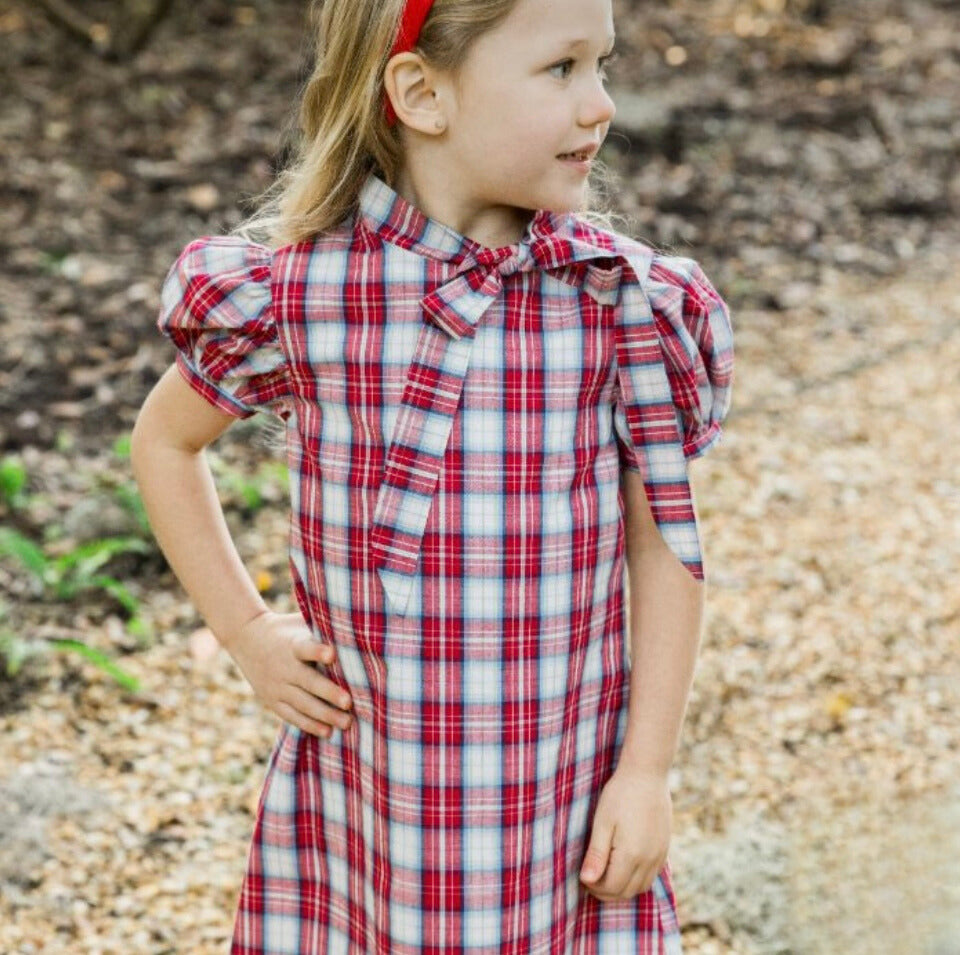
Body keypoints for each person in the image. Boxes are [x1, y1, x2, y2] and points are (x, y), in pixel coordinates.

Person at [130, 0, 734, 950]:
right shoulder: (302, 294)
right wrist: (247, 631)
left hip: (561, 805)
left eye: (603, 66)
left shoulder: (618, 305)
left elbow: (665, 544)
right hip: (368, 809)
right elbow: (165, 442)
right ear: (421, 92)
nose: (603, 104)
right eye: (562, 69)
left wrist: (646, 771)